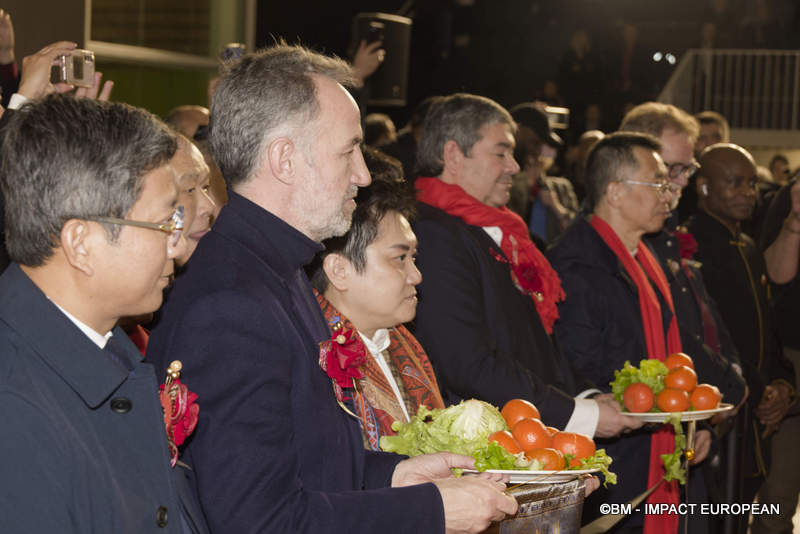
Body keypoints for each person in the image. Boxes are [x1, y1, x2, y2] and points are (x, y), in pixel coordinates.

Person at [146, 44, 517, 534]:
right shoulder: (231, 303)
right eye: (348, 151)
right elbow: (257, 521)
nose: (363, 175)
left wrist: (395, 475)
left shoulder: (274, 269)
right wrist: (432, 512)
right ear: (284, 159)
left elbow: (305, 461)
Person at [0, 94, 208, 533]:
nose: (180, 244)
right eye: (163, 224)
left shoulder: (106, 344)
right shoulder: (14, 408)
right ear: (81, 244)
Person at [411, 93, 642, 438]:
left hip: (526, 433)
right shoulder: (433, 235)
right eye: (501, 153)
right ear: (453, 155)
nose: (514, 167)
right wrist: (575, 413)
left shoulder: (499, 230)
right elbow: (468, 364)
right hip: (483, 447)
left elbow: (535, 344)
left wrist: (586, 396)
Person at [548, 132, 711, 534]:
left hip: (654, 448)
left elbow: (671, 357)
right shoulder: (576, 263)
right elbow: (577, 369)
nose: (669, 192)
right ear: (615, 192)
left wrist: (692, 418)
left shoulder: (646, 256)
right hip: (612, 461)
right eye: (656, 182)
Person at [307, 147, 445, 448]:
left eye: (414, 257)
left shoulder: (400, 342)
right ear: (339, 270)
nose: (416, 276)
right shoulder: (312, 357)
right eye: (399, 258)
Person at [689, 144, 796, 533]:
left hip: (758, 415)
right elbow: (704, 338)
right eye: (734, 183)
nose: (747, 193)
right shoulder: (690, 246)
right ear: (703, 187)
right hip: (721, 419)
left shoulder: (748, 246)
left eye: (751, 183)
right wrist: (759, 386)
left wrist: (784, 385)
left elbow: (768, 329)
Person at [757, 174, 800, 534]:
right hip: (793, 354)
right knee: (780, 487)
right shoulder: (793, 194)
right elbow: (773, 274)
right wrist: (795, 222)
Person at [507, 103, 579, 244]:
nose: (538, 151)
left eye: (541, 145)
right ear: (517, 130)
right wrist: (524, 185)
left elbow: (581, 236)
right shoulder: (497, 181)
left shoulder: (560, 188)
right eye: (535, 142)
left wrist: (556, 206)